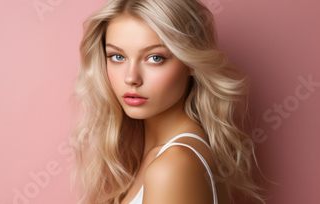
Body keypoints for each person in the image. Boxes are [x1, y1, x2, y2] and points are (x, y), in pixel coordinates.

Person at [69, 0, 265, 203]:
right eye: (117, 56)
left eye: (155, 58)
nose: (131, 78)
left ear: (190, 62)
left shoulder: (173, 165)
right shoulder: (160, 155)